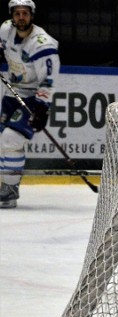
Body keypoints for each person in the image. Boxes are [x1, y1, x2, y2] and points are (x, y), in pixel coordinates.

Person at [0, 0, 59, 209]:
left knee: (12, 139)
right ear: (12, 16)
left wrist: (42, 108)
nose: (21, 17)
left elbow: (48, 79)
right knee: (2, 141)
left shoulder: (42, 44)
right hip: (11, 93)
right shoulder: (6, 29)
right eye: (17, 14)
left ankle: (9, 188)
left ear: (32, 16)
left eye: (25, 13)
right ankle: (4, 184)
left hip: (34, 96)